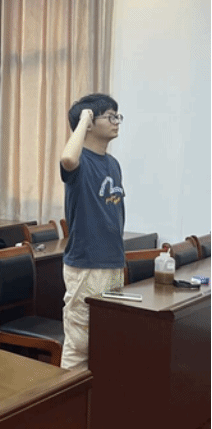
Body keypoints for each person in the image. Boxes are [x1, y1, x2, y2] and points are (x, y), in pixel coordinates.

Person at [59, 93, 125, 369]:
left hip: (112, 262)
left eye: (118, 116)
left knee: (106, 340)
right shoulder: (80, 161)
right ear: (88, 124)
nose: (117, 121)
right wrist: (84, 117)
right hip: (86, 264)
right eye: (110, 116)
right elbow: (67, 158)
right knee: (80, 343)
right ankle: (68, 394)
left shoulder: (112, 164)